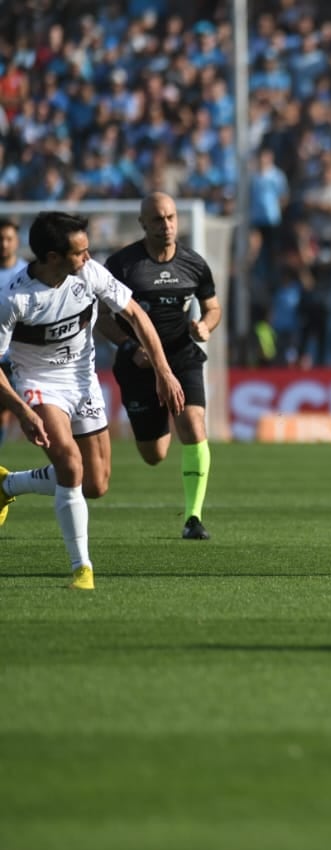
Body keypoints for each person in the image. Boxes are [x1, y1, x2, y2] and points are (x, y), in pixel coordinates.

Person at [0, 211, 184, 589]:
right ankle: (82, 568)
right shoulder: (14, 299)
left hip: (83, 382)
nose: (87, 257)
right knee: (69, 463)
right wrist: (21, 410)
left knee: (95, 484)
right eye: (79, 252)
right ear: (52, 257)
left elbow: (135, 315)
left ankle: (7, 486)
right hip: (38, 383)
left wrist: (164, 372)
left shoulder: (90, 274)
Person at [95, 193, 221, 539]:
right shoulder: (123, 266)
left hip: (182, 357)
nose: (166, 226)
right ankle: (156, 422)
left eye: (171, 218)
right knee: (154, 454)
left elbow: (212, 307)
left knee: (194, 426)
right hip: (138, 363)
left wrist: (205, 327)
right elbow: (102, 319)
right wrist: (129, 345)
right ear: (143, 224)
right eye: (158, 220)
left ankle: (193, 518)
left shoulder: (194, 264)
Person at [0, 219, 27, 448]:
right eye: (1, 239)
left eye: (9, 239)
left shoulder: (27, 273)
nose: (4, 244)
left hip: (21, 355)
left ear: (17, 241)